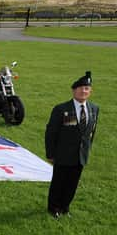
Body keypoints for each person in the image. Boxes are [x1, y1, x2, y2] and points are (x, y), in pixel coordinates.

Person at [45, 71, 99, 219]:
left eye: (86, 88)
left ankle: (65, 207)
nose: (83, 91)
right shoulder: (61, 109)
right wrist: (50, 153)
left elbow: (91, 133)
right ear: (74, 90)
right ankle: (53, 207)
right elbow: (51, 132)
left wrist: (87, 150)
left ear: (90, 91)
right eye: (80, 88)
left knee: (72, 183)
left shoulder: (94, 109)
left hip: (80, 154)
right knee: (59, 182)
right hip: (63, 153)